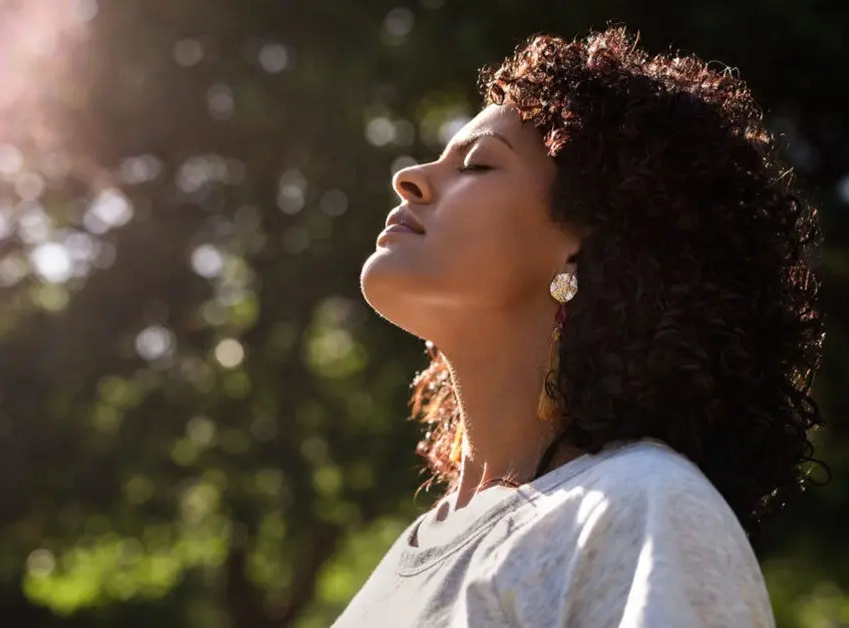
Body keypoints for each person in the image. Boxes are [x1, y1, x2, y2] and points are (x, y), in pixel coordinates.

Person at [336, 23, 824, 628]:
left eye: (479, 164)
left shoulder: (641, 506)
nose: (409, 178)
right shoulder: (407, 556)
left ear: (583, 246)